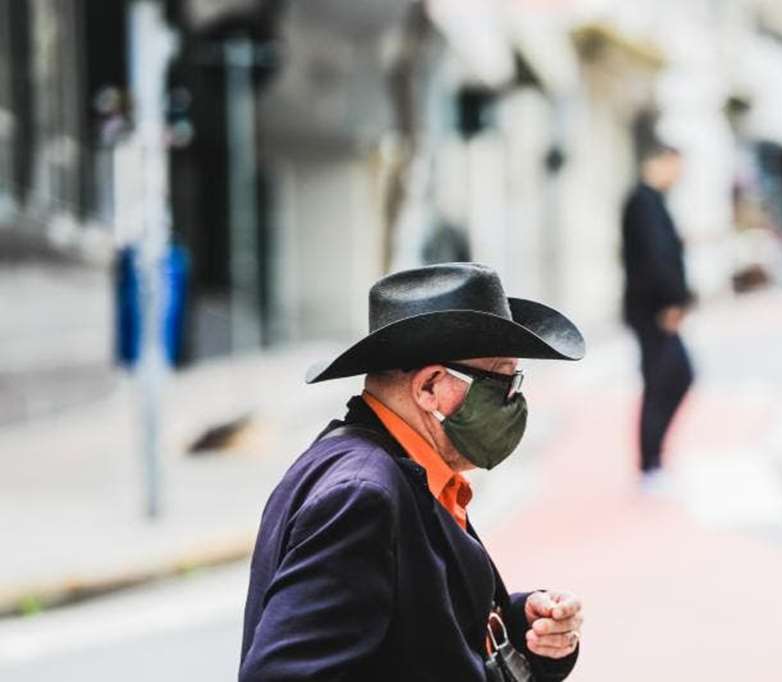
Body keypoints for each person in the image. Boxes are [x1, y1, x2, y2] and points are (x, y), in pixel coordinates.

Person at [239, 263, 585, 680]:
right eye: (503, 382)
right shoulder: (362, 496)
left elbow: (417, 633)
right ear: (429, 387)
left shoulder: (405, 469)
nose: (514, 400)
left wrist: (519, 624)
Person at [622, 142, 696, 486]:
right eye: (677, 167)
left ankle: (653, 460)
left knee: (672, 378)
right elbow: (654, 258)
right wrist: (670, 302)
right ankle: (649, 464)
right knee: (665, 380)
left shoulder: (652, 202)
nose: (680, 176)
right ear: (660, 163)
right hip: (654, 311)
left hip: (657, 309)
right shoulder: (643, 202)